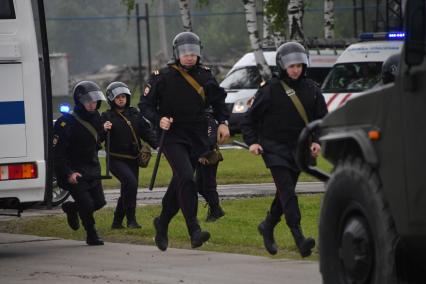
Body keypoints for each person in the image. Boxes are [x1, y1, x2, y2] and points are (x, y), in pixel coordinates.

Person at [139, 31, 230, 251]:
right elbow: (145, 105)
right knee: (187, 178)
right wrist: (159, 119)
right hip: (172, 136)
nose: (190, 57)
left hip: (197, 135)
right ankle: (194, 230)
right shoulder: (162, 76)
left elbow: (218, 102)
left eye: (193, 53)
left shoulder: (206, 76)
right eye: (185, 53)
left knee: (179, 182)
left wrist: (224, 122)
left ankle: (162, 223)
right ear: (177, 54)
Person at [241, 42, 328, 257]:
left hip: (299, 150)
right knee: (288, 191)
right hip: (273, 149)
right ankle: (299, 237)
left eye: (299, 65)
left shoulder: (313, 90)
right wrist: (252, 142)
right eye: (291, 66)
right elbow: (248, 120)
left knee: (284, 193)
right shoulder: (269, 90)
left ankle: (268, 225)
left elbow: (321, 120)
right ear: (282, 66)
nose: (296, 69)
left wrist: (317, 141)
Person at [53, 81, 108, 246]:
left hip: (92, 167)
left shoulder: (97, 117)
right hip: (74, 171)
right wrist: (69, 173)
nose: (92, 104)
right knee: (87, 203)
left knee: (99, 202)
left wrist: (104, 131)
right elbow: (58, 153)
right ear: (79, 101)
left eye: (95, 101)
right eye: (88, 101)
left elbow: (96, 142)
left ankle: (72, 209)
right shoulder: (65, 122)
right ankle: (91, 234)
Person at [102, 82, 158, 229]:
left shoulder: (135, 114)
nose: (121, 99)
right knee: (131, 184)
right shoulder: (107, 116)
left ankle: (117, 222)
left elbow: (147, 132)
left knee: (129, 188)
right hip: (115, 160)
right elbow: (98, 138)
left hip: (133, 159)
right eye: (117, 97)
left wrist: (159, 145)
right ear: (111, 99)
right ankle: (131, 220)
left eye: (123, 97)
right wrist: (103, 129)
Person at [195, 108, 225, 222]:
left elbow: (210, 139)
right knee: (199, 185)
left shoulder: (209, 120)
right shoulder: (198, 119)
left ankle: (215, 210)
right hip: (199, 156)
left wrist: (203, 154)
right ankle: (216, 208)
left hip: (209, 157)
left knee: (209, 185)